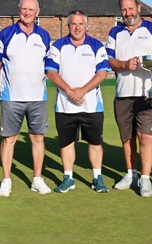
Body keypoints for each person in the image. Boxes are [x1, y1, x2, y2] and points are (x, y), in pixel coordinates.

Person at [105, 0, 152, 197]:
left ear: (138, 8)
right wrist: (124, 64)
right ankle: (131, 174)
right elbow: (108, 60)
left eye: (130, 9)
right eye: (123, 10)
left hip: (147, 93)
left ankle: (145, 179)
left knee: (145, 136)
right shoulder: (115, 32)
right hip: (123, 93)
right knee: (127, 138)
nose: (127, 13)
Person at [0, 0, 51, 197]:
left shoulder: (44, 36)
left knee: (37, 138)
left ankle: (37, 179)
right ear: (19, 10)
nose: (27, 12)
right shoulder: (5, 34)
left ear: (37, 12)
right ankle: (6, 180)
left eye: (31, 10)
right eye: (24, 9)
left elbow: (49, 65)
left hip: (37, 97)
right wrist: (10, 80)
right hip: (11, 97)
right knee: (9, 139)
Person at [45, 10, 111, 193]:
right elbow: (51, 72)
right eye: (73, 24)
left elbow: (103, 73)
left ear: (86, 26)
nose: (77, 27)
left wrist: (82, 90)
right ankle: (68, 178)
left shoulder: (96, 46)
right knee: (66, 143)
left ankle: (97, 178)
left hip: (92, 106)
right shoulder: (57, 46)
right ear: (68, 26)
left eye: (80, 24)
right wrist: (68, 90)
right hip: (65, 106)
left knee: (95, 143)